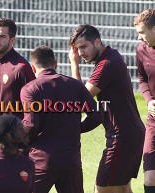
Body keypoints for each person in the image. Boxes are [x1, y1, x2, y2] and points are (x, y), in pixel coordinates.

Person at [69, 24, 145, 193]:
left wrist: (74, 65)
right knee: (122, 189)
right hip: (131, 135)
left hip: (122, 137)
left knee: (101, 188)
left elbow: (80, 101)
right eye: (77, 49)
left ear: (97, 42)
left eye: (83, 46)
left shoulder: (106, 64)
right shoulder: (111, 56)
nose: (80, 53)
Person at [20, 45, 103, 193]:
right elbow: (97, 115)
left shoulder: (30, 89)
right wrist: (78, 128)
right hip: (71, 160)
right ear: (55, 63)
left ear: (33, 67)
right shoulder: (75, 85)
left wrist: (19, 146)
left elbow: (31, 124)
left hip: (42, 160)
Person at [134, 9, 155, 193]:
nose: (139, 38)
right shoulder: (141, 49)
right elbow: (142, 79)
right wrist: (149, 100)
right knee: (150, 177)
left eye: (142, 32)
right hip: (153, 121)